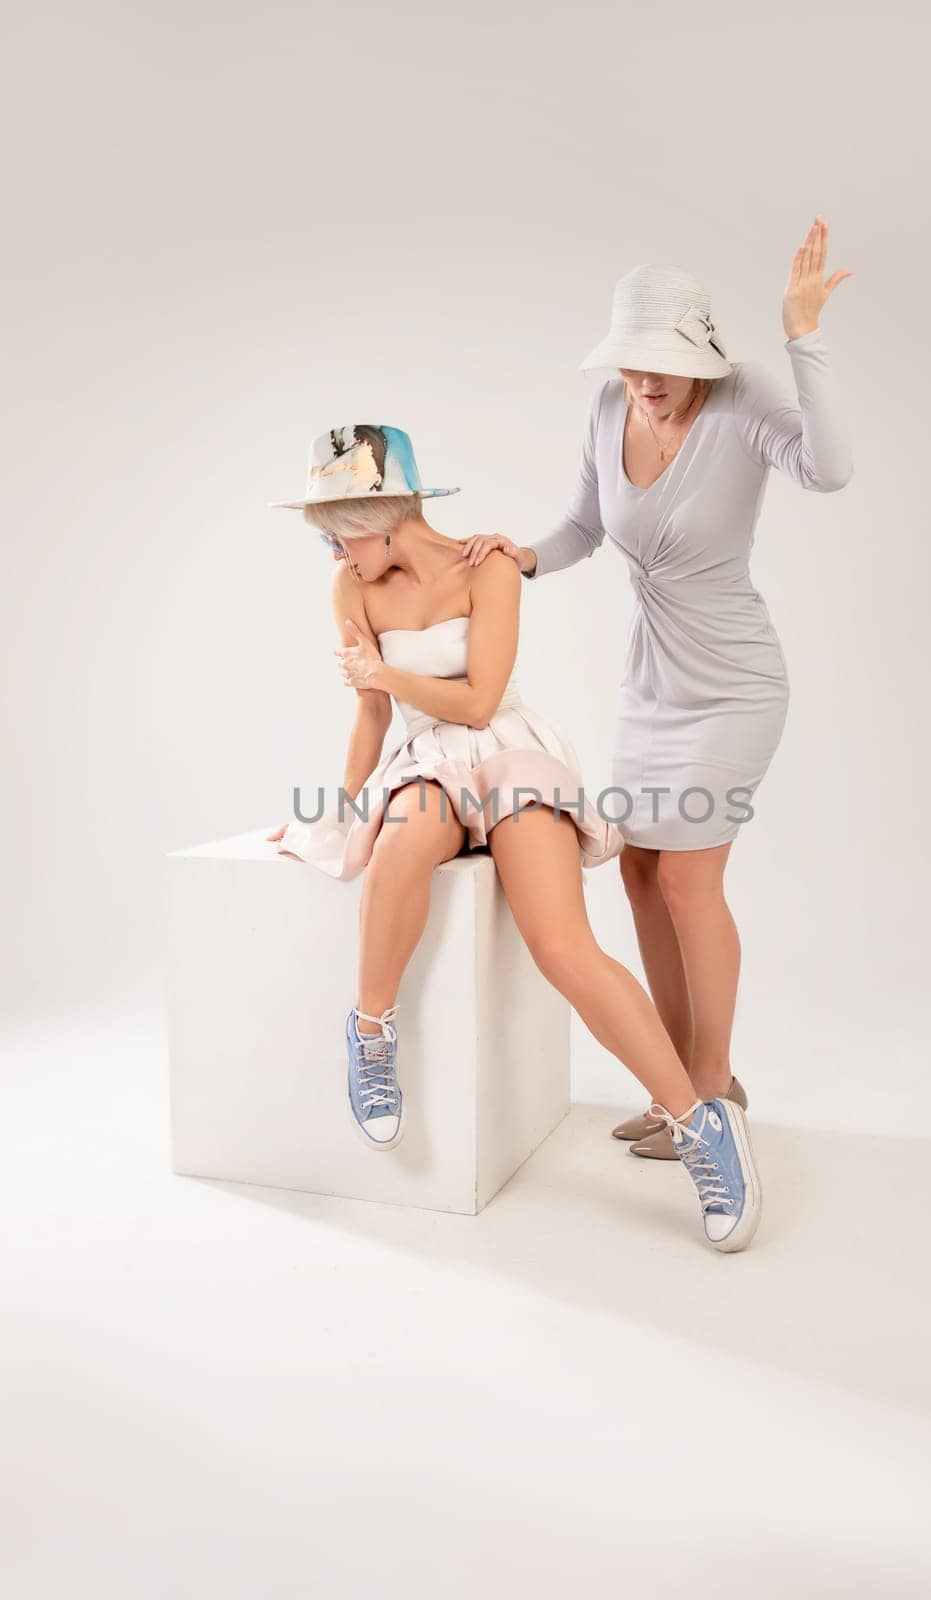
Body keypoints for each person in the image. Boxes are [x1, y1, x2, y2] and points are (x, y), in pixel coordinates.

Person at [265, 420, 762, 1251]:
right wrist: (346, 801)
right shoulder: (350, 588)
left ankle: (699, 1124)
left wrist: (383, 669)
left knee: (563, 945)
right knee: (398, 847)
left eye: (339, 537)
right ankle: (370, 1030)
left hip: (509, 747)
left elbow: (483, 700)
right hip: (428, 756)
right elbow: (374, 715)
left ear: (383, 516)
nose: (334, 556)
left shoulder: (488, 566)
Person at [462, 217, 854, 1163]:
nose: (645, 379)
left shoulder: (744, 399)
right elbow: (582, 526)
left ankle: (711, 1093)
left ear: (701, 350)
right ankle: (677, 1079)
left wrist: (804, 339)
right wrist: (522, 557)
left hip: (733, 685)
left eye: (661, 362)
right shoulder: (608, 408)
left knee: (687, 876)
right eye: (631, 361)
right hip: (652, 685)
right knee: (638, 869)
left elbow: (829, 470)